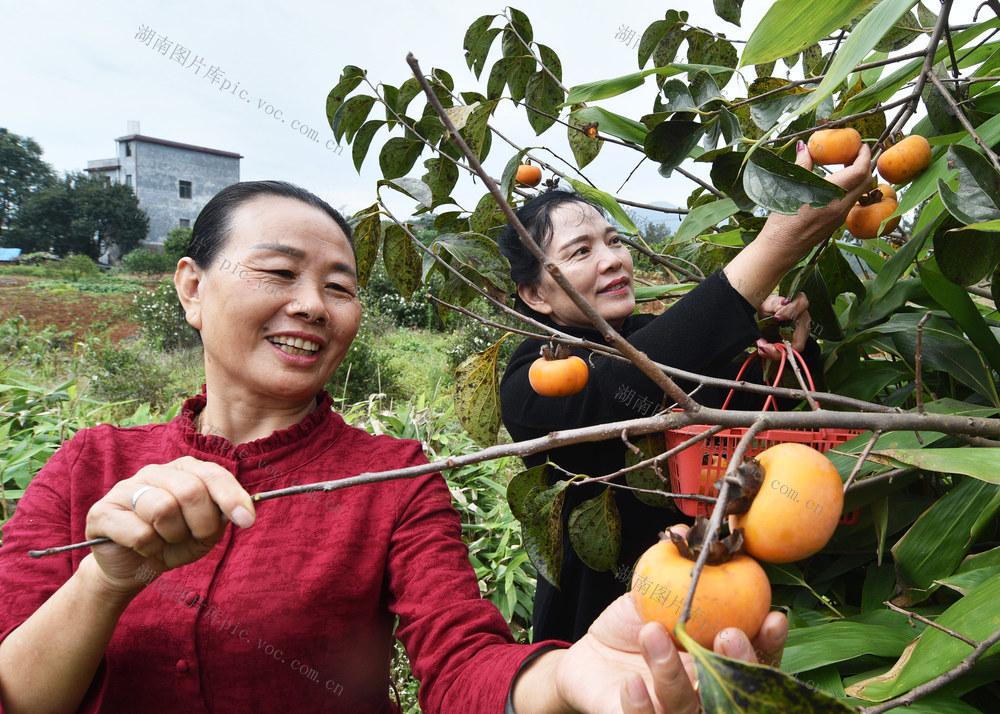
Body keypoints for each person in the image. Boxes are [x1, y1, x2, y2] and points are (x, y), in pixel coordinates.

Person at [0, 180, 786, 714]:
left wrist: (555, 677)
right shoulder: (90, 466)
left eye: (340, 287)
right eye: (280, 272)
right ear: (192, 288)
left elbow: (456, 660)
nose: (311, 305)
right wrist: (105, 581)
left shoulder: (391, 477)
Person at [499, 142, 872, 644]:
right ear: (536, 294)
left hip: (713, 602)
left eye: (614, 240)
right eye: (581, 251)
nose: (612, 260)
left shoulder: (664, 334)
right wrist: (773, 249)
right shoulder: (530, 378)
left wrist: (786, 354)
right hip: (592, 624)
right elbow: (621, 385)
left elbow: (762, 425)